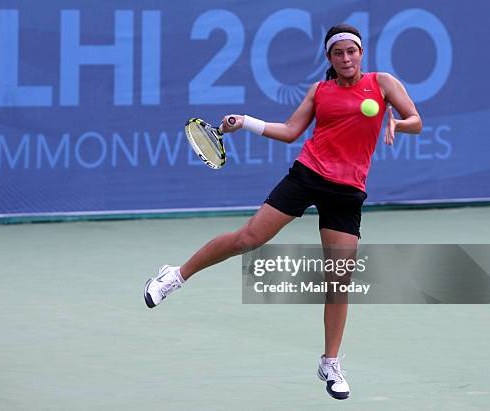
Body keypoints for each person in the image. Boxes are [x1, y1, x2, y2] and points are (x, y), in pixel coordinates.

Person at [143, 23, 422, 400]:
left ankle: (330, 362)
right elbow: (292, 131)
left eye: (351, 51)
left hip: (348, 191)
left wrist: (399, 124)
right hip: (308, 175)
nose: (346, 58)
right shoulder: (319, 91)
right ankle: (174, 275)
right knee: (249, 239)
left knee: (339, 281)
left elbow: (416, 121)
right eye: (338, 53)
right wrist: (246, 122)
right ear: (329, 58)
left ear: (361, 54)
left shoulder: (383, 83)